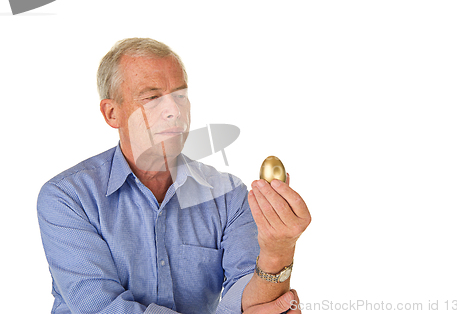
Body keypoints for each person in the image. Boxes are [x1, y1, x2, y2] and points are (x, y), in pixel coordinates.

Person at [37, 38, 311, 314]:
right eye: (152, 98)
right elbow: (103, 308)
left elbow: (254, 299)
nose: (174, 111)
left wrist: (277, 251)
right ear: (112, 113)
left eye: (180, 96)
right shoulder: (67, 197)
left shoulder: (229, 196)